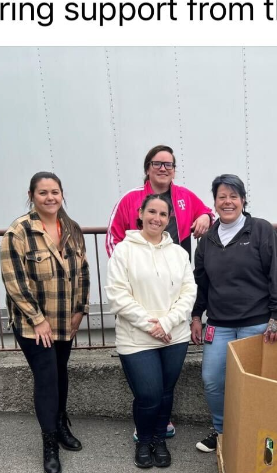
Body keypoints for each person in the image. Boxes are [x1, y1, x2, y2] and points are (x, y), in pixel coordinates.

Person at [106, 143, 213, 440]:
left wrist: (205, 216)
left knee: (166, 387)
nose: (163, 168)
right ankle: (145, 432)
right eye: (157, 163)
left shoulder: (184, 197)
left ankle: (159, 429)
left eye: (168, 164)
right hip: (139, 299)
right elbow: (113, 242)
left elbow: (206, 211)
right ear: (147, 167)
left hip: (171, 308)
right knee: (149, 391)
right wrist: (130, 266)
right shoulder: (129, 200)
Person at [190, 174, 277, 453]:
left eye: (233, 196)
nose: (228, 202)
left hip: (258, 323)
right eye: (222, 196)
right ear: (214, 202)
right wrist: (197, 315)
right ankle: (221, 430)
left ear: (243, 200)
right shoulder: (208, 240)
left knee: (257, 384)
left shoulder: (261, 231)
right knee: (213, 379)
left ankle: (257, 433)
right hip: (219, 324)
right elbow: (201, 281)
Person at [1, 172, 89, 473]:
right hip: (33, 323)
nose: (50, 197)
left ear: (62, 194)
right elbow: (14, 281)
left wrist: (81, 309)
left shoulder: (72, 229)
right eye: (43, 193)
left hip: (65, 319)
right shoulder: (19, 232)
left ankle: (61, 423)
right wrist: (38, 320)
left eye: (55, 191)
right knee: (47, 376)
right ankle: (49, 442)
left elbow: (83, 272)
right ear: (32, 195)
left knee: (60, 373)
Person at [107, 193, 197, 468]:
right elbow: (117, 295)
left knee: (166, 391)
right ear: (141, 214)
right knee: (148, 394)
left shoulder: (179, 253)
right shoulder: (124, 250)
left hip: (174, 335)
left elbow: (188, 291)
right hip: (136, 338)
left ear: (169, 219)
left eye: (162, 214)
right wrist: (151, 326)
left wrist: (167, 323)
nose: (156, 218)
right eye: (152, 212)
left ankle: (159, 439)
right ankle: (144, 440)